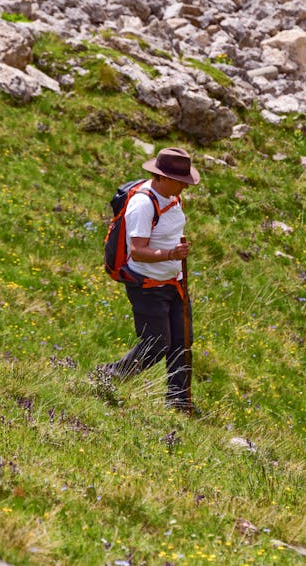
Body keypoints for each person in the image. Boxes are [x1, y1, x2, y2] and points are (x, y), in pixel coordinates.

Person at [99, 147, 200, 412]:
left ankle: (179, 402)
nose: (185, 187)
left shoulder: (172, 197)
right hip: (147, 285)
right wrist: (170, 253)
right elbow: (138, 251)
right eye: (181, 181)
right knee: (157, 344)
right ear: (161, 177)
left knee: (182, 342)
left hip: (173, 282)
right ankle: (107, 377)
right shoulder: (143, 204)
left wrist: (174, 259)